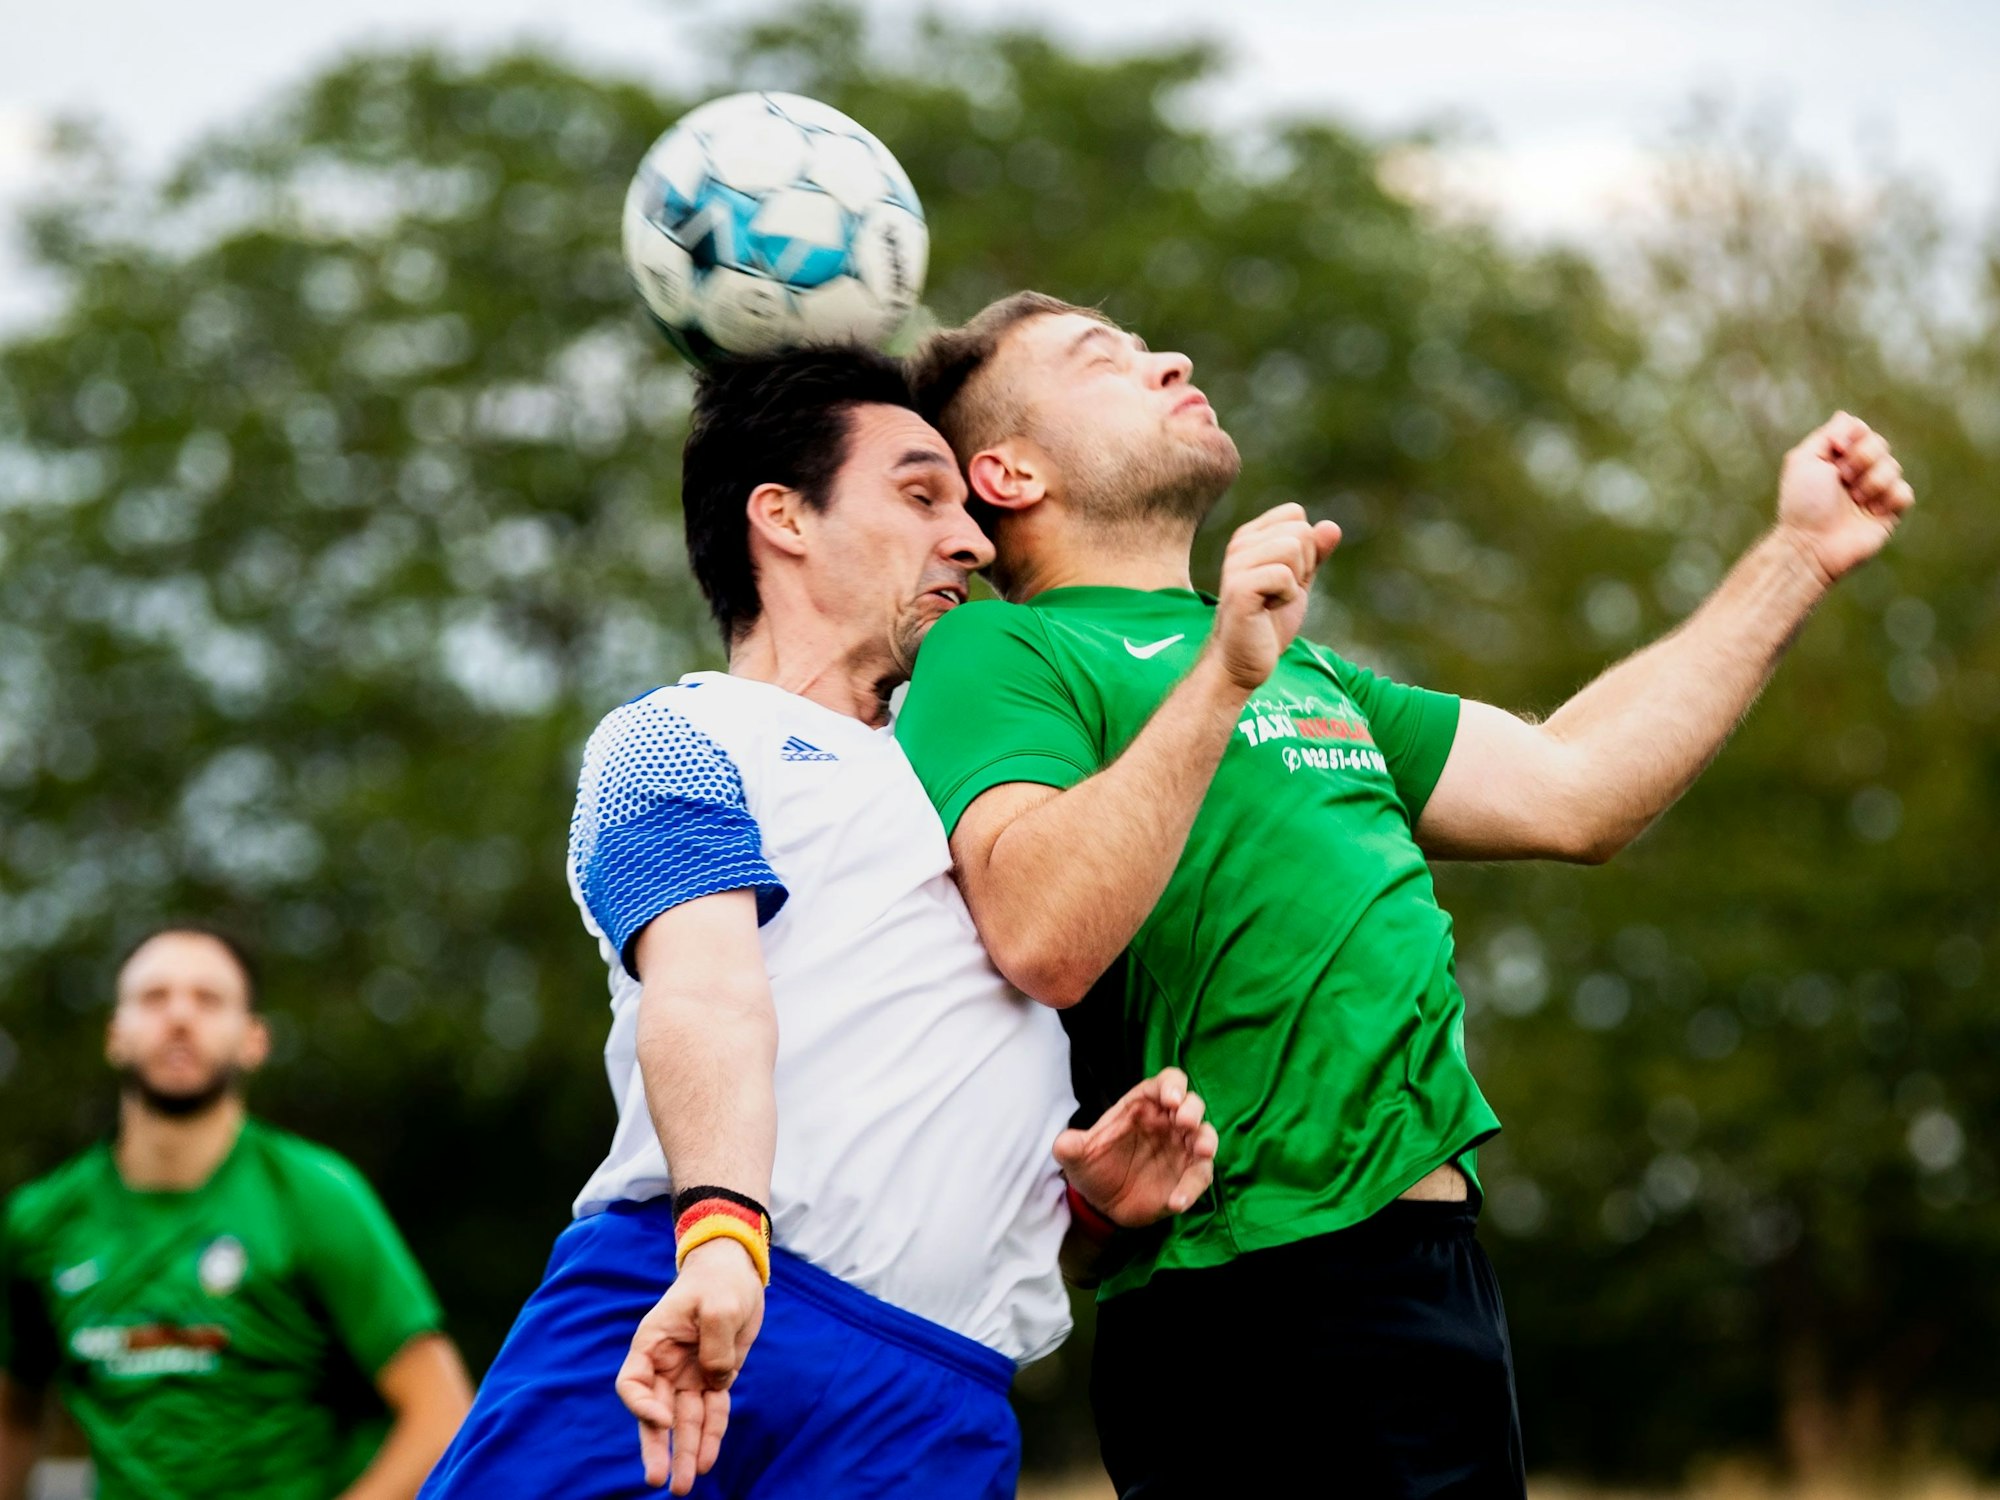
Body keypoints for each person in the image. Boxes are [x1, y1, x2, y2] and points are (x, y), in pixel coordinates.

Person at [895, 291, 1916, 1498]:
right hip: (1250, 1294)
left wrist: (1793, 557)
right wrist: (1224, 672)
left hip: (1428, 1274)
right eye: (1101, 359)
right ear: (1007, 473)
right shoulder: (1004, 652)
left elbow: (1573, 788)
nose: (1168, 355)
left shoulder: (1303, 667)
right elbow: (1039, 931)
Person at [420, 347, 1217, 1500]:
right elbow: (705, 994)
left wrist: (1093, 1206)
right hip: (704, 1287)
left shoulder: (997, 788)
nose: (972, 541)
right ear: (782, 517)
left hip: (938, 1397)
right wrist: (721, 1241)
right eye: (917, 495)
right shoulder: (678, 737)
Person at [0, 925, 472, 1500]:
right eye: (153, 997)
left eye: (208, 999)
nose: (179, 1017)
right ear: (114, 1035)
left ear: (254, 1039)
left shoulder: (316, 1196)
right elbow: (12, 1416)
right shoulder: (40, 1221)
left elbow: (442, 1411)